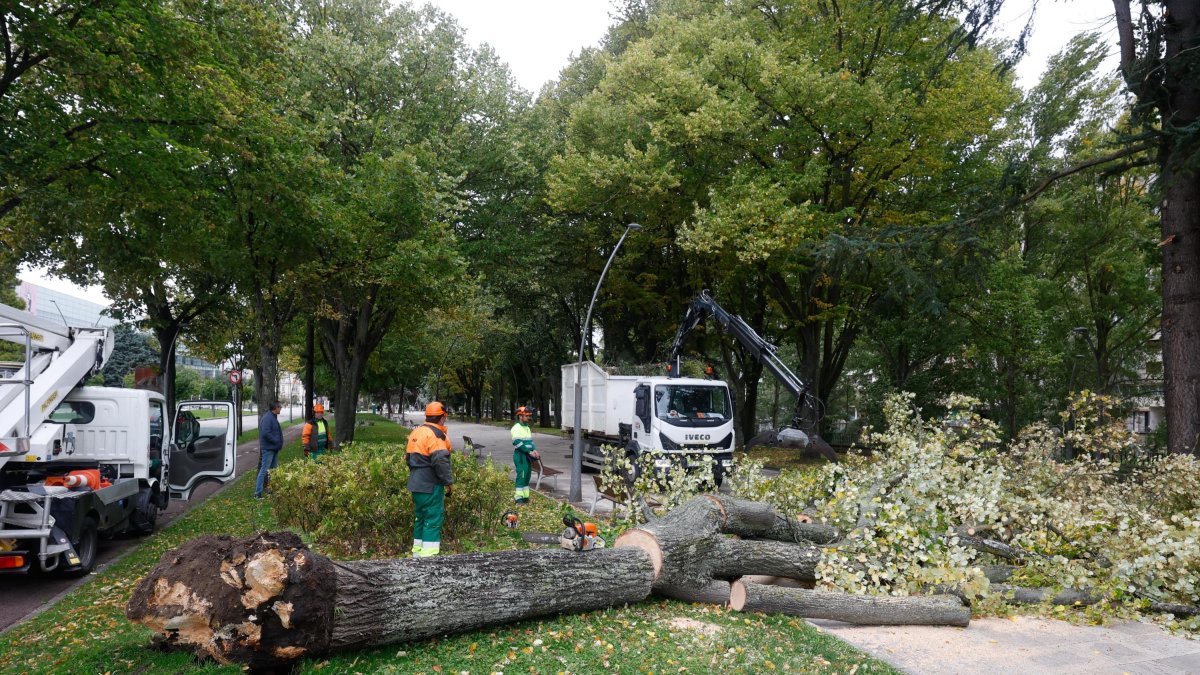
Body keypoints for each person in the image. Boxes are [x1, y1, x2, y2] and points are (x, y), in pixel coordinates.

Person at [406, 401, 455, 557]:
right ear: (442, 418)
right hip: (431, 485)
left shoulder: (417, 432)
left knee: (420, 518)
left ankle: (417, 555)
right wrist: (448, 481)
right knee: (433, 520)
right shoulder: (436, 435)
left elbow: (408, 459)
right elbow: (440, 461)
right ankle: (429, 558)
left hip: (415, 483)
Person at [510, 406, 540, 504]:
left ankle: (525, 497)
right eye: (526, 416)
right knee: (521, 476)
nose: (528, 417)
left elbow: (530, 442)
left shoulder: (527, 428)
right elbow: (517, 442)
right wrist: (529, 452)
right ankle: (518, 498)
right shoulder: (516, 428)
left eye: (529, 415)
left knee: (527, 476)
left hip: (527, 456)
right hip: (520, 456)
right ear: (520, 416)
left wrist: (534, 450)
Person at [255, 401, 283, 499]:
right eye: (280, 407)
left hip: (273, 448)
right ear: (275, 408)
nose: (281, 408)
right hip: (268, 449)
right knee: (264, 470)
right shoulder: (268, 418)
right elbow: (266, 433)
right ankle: (257, 493)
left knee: (273, 471)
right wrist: (276, 441)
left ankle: (270, 488)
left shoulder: (273, 417)